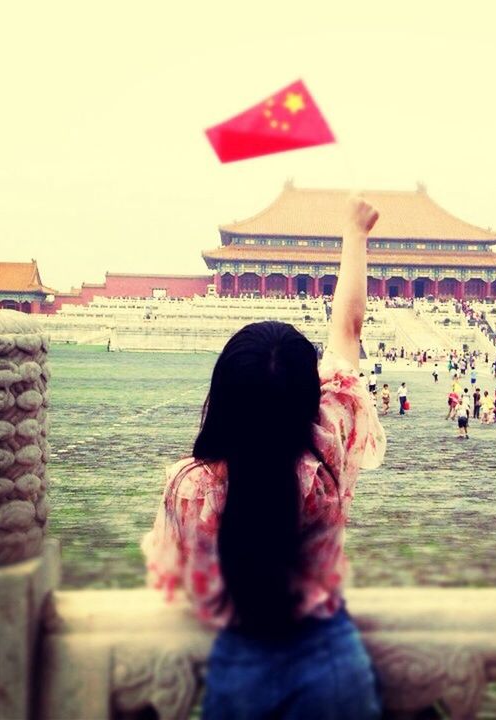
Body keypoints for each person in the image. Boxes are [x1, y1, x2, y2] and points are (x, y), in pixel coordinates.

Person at [142, 196, 384, 718]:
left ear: (223, 394)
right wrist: (354, 234)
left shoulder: (192, 488)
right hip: (332, 662)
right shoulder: (324, 457)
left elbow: (178, 571)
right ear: (307, 398)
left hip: (241, 667)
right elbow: (348, 333)